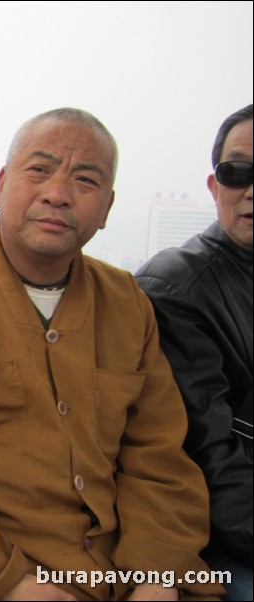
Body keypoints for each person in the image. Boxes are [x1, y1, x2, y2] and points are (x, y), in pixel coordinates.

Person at [0, 108, 225, 601]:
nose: (58, 193)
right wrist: (10, 585)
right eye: (39, 169)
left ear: (108, 207)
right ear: (0, 184)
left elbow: (158, 456)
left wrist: (157, 575)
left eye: (85, 179)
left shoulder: (125, 301)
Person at [136, 104, 252, 601]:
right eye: (237, 172)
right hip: (222, 541)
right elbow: (209, 454)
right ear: (214, 186)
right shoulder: (177, 288)